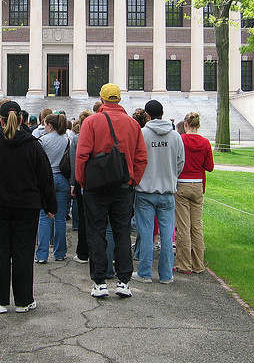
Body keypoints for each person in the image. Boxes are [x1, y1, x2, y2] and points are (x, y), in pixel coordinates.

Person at [0, 101, 57, 314]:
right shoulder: (33, 145)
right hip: (27, 207)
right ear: (23, 120)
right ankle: (24, 300)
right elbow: (45, 178)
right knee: (24, 252)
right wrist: (50, 206)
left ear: (1, 120)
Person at [75, 83, 148, 298]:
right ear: (119, 100)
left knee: (96, 233)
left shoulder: (91, 122)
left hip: (95, 187)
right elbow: (141, 157)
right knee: (122, 232)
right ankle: (124, 281)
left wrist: (82, 181)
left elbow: (82, 155)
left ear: (103, 99)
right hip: (123, 186)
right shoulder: (132, 124)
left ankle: (99, 282)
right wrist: (133, 180)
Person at [132, 100, 185, 285]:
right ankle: (166, 274)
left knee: (146, 234)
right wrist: (170, 176)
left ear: (147, 115)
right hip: (167, 191)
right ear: (162, 113)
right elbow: (180, 162)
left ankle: (145, 272)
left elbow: (136, 160)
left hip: (145, 190)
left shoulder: (143, 134)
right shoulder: (175, 136)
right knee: (166, 234)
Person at [174, 112, 214, 275]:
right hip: (198, 185)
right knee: (196, 226)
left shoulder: (181, 140)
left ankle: (184, 264)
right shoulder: (205, 143)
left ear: (185, 125)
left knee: (183, 226)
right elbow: (209, 166)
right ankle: (198, 264)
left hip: (182, 183)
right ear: (198, 125)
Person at [35, 113, 70, 263]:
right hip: (62, 178)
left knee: (44, 217)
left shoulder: (43, 140)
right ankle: (60, 252)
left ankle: (42, 254)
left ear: (50, 125)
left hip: (46, 179)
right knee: (60, 217)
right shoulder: (66, 140)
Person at [70, 110, 92, 264]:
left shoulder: (77, 138)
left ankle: (83, 252)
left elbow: (75, 162)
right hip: (97, 180)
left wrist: (75, 181)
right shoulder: (97, 135)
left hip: (81, 180)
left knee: (84, 217)